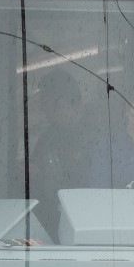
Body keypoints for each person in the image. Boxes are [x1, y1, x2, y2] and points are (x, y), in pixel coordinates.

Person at [28, 68, 93, 236]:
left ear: (58, 101)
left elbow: (87, 183)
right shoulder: (49, 135)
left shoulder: (97, 132)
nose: (41, 107)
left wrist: (41, 173)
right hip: (46, 224)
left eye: (43, 101)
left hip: (82, 222)